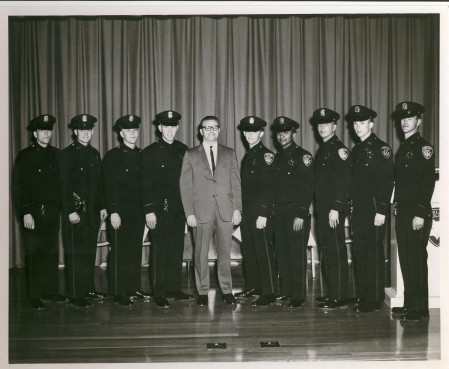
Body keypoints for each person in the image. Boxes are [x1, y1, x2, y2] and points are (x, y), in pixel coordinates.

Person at [180, 116, 242, 306]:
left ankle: (226, 290)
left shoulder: (230, 153)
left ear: (219, 130)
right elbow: (185, 185)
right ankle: (203, 292)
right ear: (201, 131)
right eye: (207, 128)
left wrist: (237, 209)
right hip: (200, 212)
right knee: (200, 254)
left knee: (225, 253)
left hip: (225, 211)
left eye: (215, 128)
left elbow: (236, 183)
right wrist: (189, 213)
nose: (211, 131)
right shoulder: (191, 154)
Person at [12, 114, 68, 310]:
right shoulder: (25, 156)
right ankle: (35, 295)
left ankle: (50, 291)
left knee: (51, 251)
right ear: (35, 133)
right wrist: (26, 211)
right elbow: (19, 187)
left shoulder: (57, 154)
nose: (46, 133)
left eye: (49, 130)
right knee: (35, 253)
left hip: (53, 210)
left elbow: (62, 184)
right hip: (33, 211)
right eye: (42, 130)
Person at [140, 110, 194, 309]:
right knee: (160, 250)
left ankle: (173, 288)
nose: (170, 130)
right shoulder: (150, 151)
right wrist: (149, 211)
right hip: (159, 208)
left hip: (179, 208)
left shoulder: (183, 149)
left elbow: (189, 181)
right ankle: (159, 292)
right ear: (160, 128)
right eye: (166, 126)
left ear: (177, 128)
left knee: (176, 249)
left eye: (173, 127)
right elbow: (145, 184)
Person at [348, 105, 394, 312]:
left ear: (371, 124)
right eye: (355, 123)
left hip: (374, 210)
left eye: (362, 122)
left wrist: (381, 210)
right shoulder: (356, 150)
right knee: (360, 253)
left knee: (374, 253)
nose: (358, 126)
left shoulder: (381, 148)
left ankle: (374, 298)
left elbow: (386, 182)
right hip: (358, 210)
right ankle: (364, 295)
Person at [392, 101, 435, 321]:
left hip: (417, 211)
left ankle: (420, 308)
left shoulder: (423, 147)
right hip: (404, 210)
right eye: (402, 118)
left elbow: (427, 182)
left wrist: (420, 212)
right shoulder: (404, 147)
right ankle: (410, 304)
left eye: (410, 118)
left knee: (417, 259)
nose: (405, 121)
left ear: (418, 121)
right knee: (407, 259)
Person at [59, 114, 108, 308]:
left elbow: (99, 184)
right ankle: (74, 294)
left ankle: (87, 288)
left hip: (93, 212)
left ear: (92, 131)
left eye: (89, 129)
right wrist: (70, 209)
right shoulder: (66, 154)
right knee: (75, 252)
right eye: (82, 129)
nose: (86, 133)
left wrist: (103, 206)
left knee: (88, 251)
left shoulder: (95, 153)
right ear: (75, 131)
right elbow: (63, 186)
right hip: (75, 212)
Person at [102, 114, 151, 306]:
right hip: (119, 212)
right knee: (119, 251)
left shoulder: (142, 155)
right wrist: (113, 211)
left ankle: (133, 286)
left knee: (134, 250)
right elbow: (109, 185)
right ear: (121, 133)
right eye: (128, 130)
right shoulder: (113, 156)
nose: (132, 133)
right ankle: (117, 291)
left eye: (135, 130)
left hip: (137, 211)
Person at [272, 116, 314, 308]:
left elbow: (308, 187)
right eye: (279, 132)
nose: (282, 136)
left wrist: (301, 213)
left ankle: (298, 295)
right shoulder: (277, 157)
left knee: (296, 255)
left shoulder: (302, 156)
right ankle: (286, 291)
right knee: (282, 254)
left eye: (286, 132)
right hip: (279, 213)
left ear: (294, 134)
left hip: (296, 213)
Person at [236, 116, 277, 306]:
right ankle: (255, 286)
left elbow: (269, 187)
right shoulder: (249, 155)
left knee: (263, 251)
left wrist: (263, 213)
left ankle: (269, 291)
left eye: (255, 131)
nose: (251, 134)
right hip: (247, 211)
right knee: (250, 250)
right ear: (244, 134)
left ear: (261, 133)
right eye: (248, 131)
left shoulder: (266, 156)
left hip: (259, 212)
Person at [312, 108, 351, 310]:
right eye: (320, 125)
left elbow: (344, 182)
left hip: (333, 210)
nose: (322, 128)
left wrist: (336, 208)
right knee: (327, 251)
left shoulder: (339, 150)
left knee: (336, 251)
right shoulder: (324, 149)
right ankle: (331, 293)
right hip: (324, 209)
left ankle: (340, 296)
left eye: (326, 124)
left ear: (334, 127)